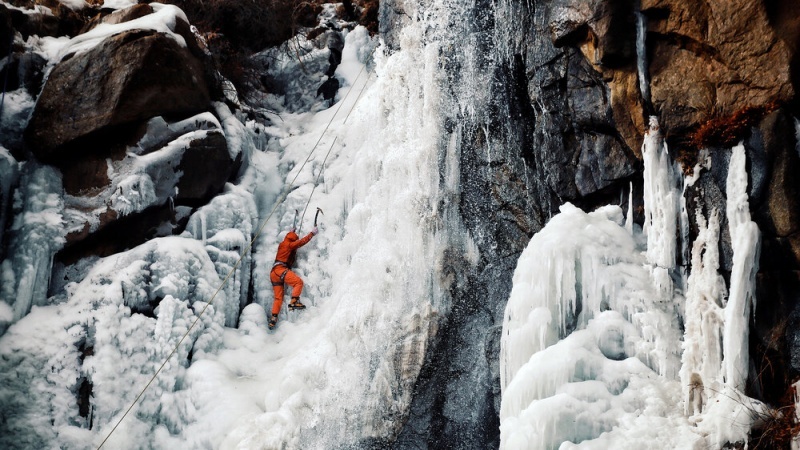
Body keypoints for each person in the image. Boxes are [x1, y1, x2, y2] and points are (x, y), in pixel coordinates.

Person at [268, 226, 317, 330]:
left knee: (278, 298)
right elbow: (301, 242)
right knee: (298, 282)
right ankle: (294, 301)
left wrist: (292, 232)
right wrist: (311, 233)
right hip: (281, 269)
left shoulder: (283, 243)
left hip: (273, 273)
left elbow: (289, 239)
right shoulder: (290, 244)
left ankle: (273, 318)